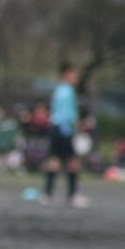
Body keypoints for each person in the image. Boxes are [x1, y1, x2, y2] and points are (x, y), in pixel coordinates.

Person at [41, 61, 88, 207]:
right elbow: (66, 114)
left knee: (55, 159)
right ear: (66, 74)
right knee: (73, 161)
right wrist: (73, 127)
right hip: (63, 129)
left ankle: (47, 194)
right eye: (74, 74)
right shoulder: (67, 92)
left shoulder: (59, 90)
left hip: (56, 128)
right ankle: (72, 195)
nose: (76, 77)